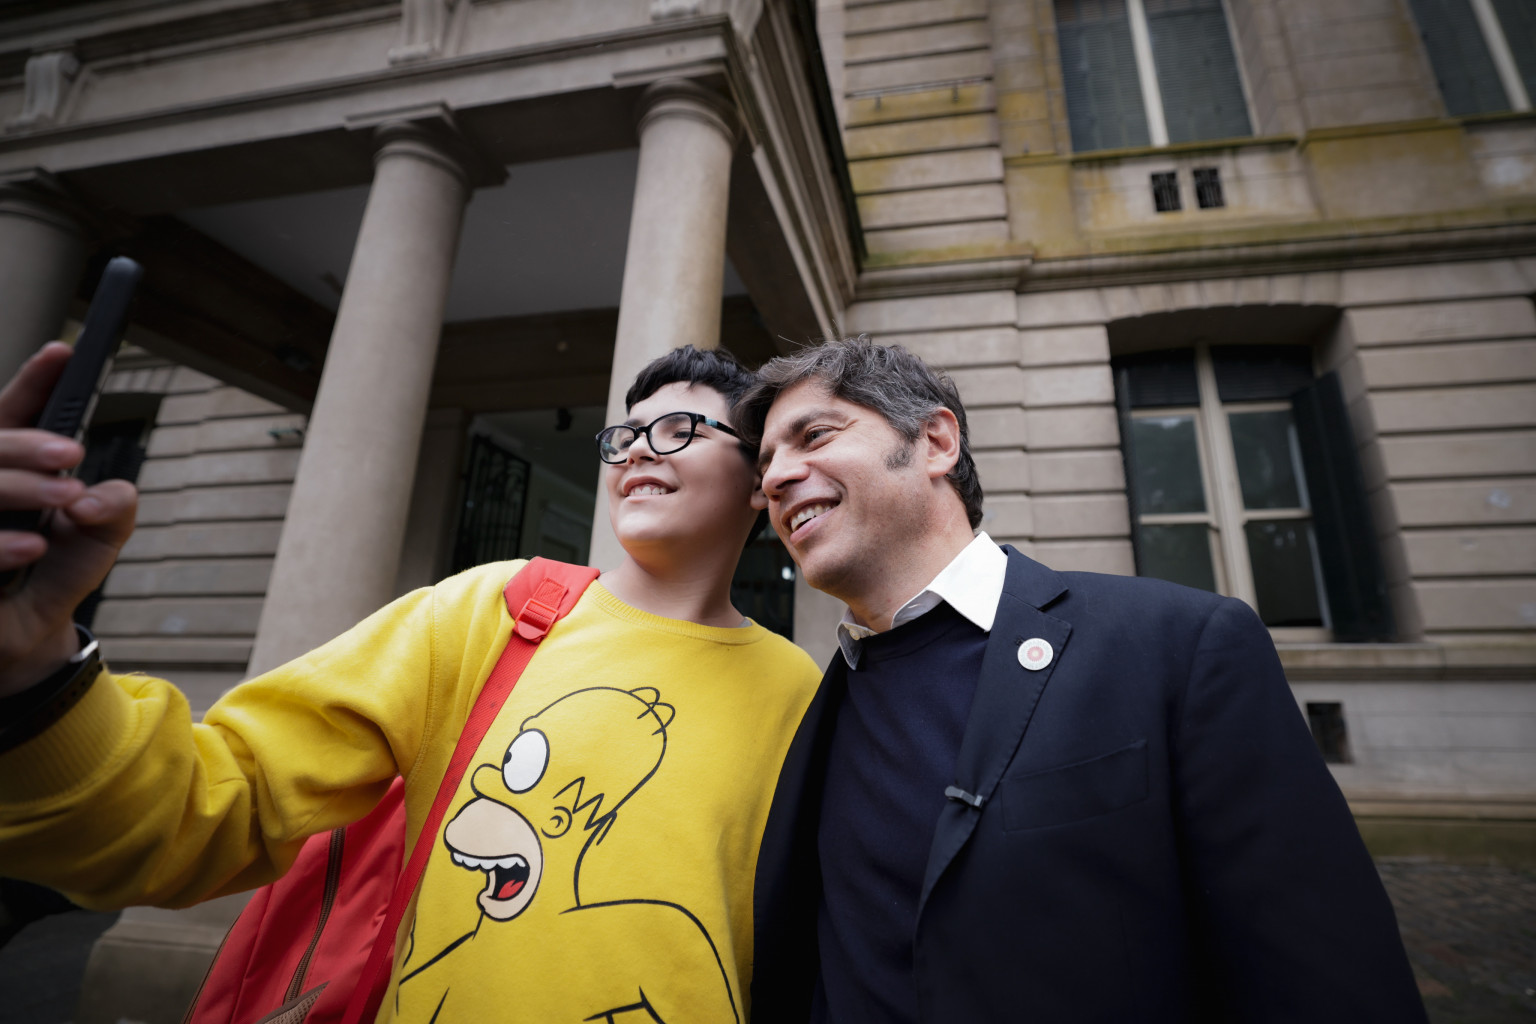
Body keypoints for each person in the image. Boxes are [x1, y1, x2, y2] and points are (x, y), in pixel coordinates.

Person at [0, 341, 820, 1023]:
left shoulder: (800, 689)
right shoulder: (493, 610)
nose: (637, 449)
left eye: (679, 430)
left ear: (760, 478)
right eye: (625, 435)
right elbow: (214, 801)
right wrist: (37, 674)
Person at [736, 338, 1427, 1023]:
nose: (775, 480)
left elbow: (1326, 981)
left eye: (814, 436)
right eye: (766, 464)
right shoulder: (807, 706)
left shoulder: (1182, 645)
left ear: (936, 442)